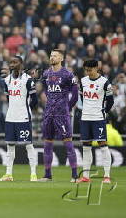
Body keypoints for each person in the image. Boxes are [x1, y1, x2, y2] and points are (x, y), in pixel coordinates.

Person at [38, 49, 79, 182]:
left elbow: (75, 93)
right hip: (49, 113)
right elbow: (45, 89)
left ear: (61, 58)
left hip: (62, 114)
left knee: (68, 143)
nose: (52, 57)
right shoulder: (46, 73)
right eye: (51, 55)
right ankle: (47, 175)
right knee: (47, 143)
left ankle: (74, 175)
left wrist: (68, 106)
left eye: (55, 56)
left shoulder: (67, 74)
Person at [0, 56, 38, 182]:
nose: (12, 65)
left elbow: (34, 100)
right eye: (11, 62)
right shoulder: (7, 80)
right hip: (10, 117)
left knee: (28, 145)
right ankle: (8, 174)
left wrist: (25, 110)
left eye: (15, 62)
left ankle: (33, 174)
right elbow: (9, 98)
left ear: (21, 64)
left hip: (23, 117)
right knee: (10, 146)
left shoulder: (28, 80)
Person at [78, 59, 114, 184]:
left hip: (98, 119)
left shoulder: (105, 82)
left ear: (96, 68)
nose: (88, 72)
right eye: (86, 70)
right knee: (86, 147)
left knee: (103, 146)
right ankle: (85, 176)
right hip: (85, 118)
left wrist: (104, 112)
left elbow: (111, 101)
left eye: (90, 70)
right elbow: (83, 98)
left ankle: (107, 176)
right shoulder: (83, 81)